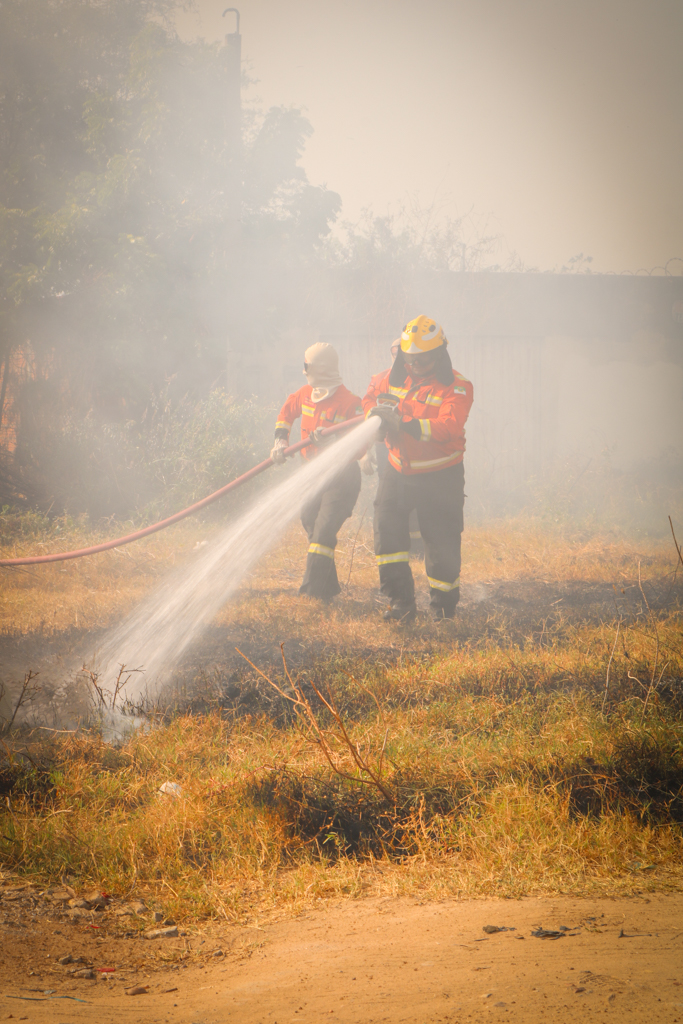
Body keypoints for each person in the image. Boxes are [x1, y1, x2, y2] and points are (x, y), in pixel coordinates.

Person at [363, 315, 473, 621]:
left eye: (422, 360)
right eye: (409, 359)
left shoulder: (458, 387)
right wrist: (373, 418)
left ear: (440, 354)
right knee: (387, 533)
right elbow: (370, 396)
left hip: (440, 477)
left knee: (441, 545)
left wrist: (404, 423)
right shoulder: (391, 378)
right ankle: (400, 603)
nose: (414, 366)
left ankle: (443, 611)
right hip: (397, 469)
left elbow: (449, 427)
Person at [270, 342, 364, 601]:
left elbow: (361, 444)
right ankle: (327, 589)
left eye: (306, 366)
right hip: (310, 473)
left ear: (318, 368)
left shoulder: (351, 403)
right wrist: (281, 440)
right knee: (310, 521)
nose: (304, 371)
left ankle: (312, 594)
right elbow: (286, 414)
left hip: (340, 478)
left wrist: (334, 441)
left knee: (323, 533)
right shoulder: (305, 394)